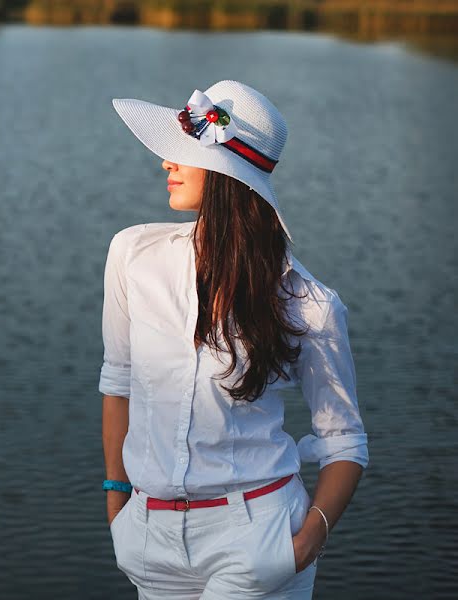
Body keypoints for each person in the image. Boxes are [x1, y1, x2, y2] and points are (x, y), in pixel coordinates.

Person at [100, 80, 369, 599]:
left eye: (182, 153)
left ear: (225, 177)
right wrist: (118, 508)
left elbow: (345, 441)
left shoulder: (307, 303)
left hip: (257, 538)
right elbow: (119, 383)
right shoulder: (132, 255)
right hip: (149, 543)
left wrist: (310, 538)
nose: (165, 164)